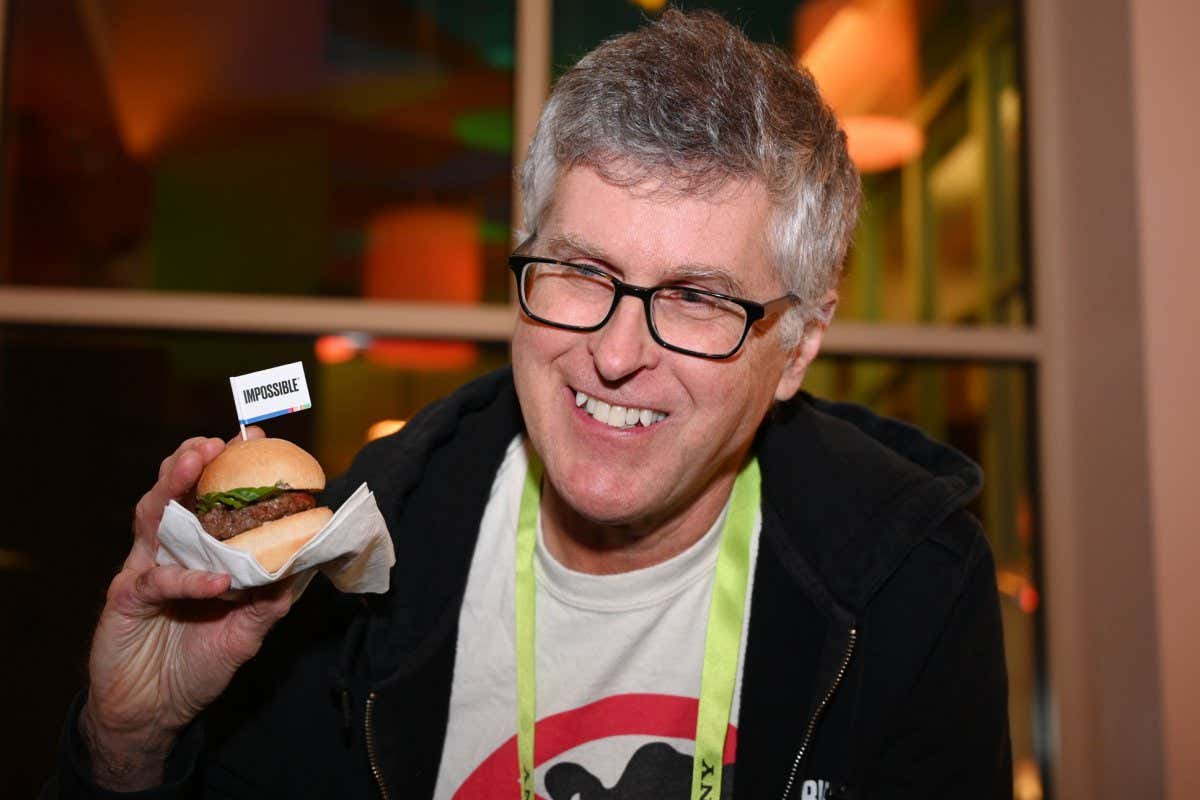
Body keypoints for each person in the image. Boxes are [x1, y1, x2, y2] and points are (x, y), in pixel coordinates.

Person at [46, 10, 1011, 800]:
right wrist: (130, 741)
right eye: (582, 271)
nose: (616, 354)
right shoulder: (355, 559)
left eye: (698, 297)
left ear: (797, 346)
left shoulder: (908, 583)